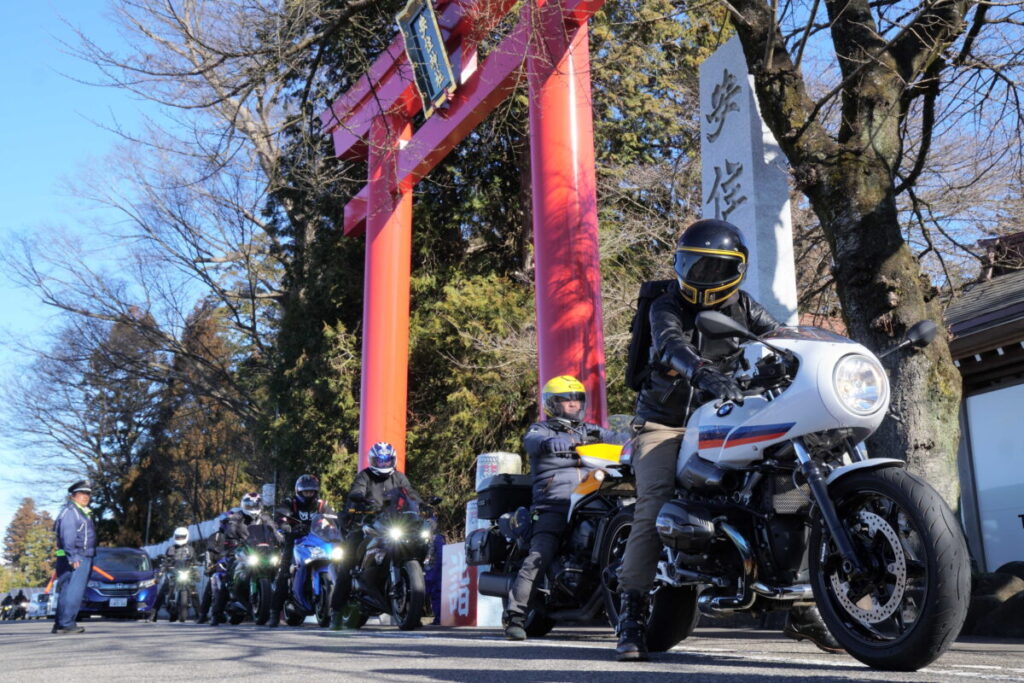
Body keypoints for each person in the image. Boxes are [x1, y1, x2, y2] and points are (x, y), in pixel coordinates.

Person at [614, 218, 840, 661]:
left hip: (726, 415)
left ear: (735, 271)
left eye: (713, 268)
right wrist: (701, 370)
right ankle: (631, 615)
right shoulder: (666, 305)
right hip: (667, 423)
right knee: (653, 502)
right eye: (692, 265)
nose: (700, 276)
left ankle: (800, 605)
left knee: (786, 483)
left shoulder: (745, 307)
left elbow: (780, 339)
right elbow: (670, 343)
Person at [503, 375, 628, 641]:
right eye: (566, 399)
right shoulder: (542, 429)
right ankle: (515, 616)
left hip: (598, 497)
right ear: (552, 404)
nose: (573, 404)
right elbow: (532, 442)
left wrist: (636, 440)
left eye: (577, 399)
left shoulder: (593, 431)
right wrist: (551, 444)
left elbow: (618, 438)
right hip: (556, 502)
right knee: (540, 553)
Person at [331, 442, 422, 628]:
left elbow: (410, 494)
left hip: (393, 522)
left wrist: (422, 503)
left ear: (393, 460)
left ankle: (412, 609)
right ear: (372, 460)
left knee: (417, 546)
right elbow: (356, 491)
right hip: (367, 521)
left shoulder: (399, 477)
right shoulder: (364, 475)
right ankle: (336, 612)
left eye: (386, 460)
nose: (382, 464)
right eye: (379, 460)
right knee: (348, 562)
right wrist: (359, 500)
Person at [269, 475, 338, 628]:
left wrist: (338, 527)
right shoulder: (290, 503)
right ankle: (274, 613)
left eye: (311, 492)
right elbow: (280, 515)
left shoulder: (322, 505)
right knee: (284, 573)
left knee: (340, 564)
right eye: (305, 492)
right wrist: (286, 526)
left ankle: (336, 609)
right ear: (299, 492)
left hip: (318, 540)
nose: (309, 495)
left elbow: (334, 519)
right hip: (295, 540)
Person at [209, 493, 269, 626]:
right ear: (243, 505)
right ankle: (216, 614)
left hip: (260, 551)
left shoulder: (265, 518)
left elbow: (274, 530)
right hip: (238, 550)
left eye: (256, 505)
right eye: (249, 505)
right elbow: (230, 529)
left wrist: (281, 537)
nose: (253, 507)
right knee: (226, 579)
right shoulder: (236, 517)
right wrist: (231, 540)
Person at [52, 479, 97, 634]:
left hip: (75, 556)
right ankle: (66, 624)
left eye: (88, 494)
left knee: (67, 590)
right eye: (81, 494)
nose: (85, 497)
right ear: (73, 496)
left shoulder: (80, 512)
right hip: (77, 557)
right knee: (74, 591)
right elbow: (68, 535)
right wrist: (73, 556)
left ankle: (61, 622)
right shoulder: (72, 512)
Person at [151, 527, 196, 621]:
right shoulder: (171, 548)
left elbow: (194, 560)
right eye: (178, 537)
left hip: (185, 572)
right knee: (163, 590)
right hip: (172, 573)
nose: (180, 538)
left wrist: (196, 564)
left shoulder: (190, 549)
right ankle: (153, 614)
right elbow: (165, 560)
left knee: (193, 590)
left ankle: (200, 615)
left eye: (182, 537)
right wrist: (164, 566)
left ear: (186, 536)